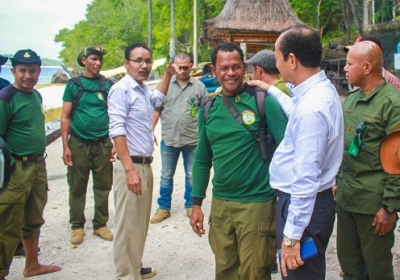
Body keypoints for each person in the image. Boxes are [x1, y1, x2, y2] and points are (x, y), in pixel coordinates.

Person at [248, 25, 344, 279]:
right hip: (312, 205)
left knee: (300, 274)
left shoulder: (313, 107)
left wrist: (291, 237)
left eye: (277, 59)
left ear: (292, 60)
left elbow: (305, 177)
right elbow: (296, 111)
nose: (276, 66)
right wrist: (269, 89)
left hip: (302, 207)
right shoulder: (319, 91)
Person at [190, 42, 287, 279]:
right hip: (222, 205)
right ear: (214, 71)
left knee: (254, 273)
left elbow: (289, 151)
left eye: (235, 67)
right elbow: (203, 159)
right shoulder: (208, 108)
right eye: (224, 68)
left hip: (257, 204)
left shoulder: (264, 102)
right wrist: (196, 203)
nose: (230, 73)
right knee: (224, 271)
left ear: (244, 67)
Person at [108, 43, 176, 280]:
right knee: (127, 226)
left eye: (148, 61)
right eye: (138, 60)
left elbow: (158, 99)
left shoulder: (142, 89)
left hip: (144, 164)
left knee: (138, 224)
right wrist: (129, 170)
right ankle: (126, 274)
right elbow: (116, 129)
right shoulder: (121, 90)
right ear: (126, 64)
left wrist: (167, 74)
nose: (144, 65)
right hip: (132, 166)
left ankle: (134, 266)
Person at [334, 40, 400, 280]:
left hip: (373, 206)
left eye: (350, 63)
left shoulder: (391, 104)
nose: (345, 68)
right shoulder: (352, 99)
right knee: (350, 268)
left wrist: (390, 207)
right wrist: (338, 180)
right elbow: (347, 145)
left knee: (378, 270)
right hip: (348, 199)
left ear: (368, 67)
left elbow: (398, 162)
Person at [0, 49, 61, 279]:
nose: (28, 75)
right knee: (7, 223)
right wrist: (10, 170)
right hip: (16, 170)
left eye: (33, 70)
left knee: (33, 218)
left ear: (39, 71)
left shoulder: (35, 95)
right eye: (23, 71)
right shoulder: (5, 98)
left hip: (38, 166)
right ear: (13, 71)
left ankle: (31, 265)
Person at [61, 45, 115, 245]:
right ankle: (77, 226)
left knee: (103, 186)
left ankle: (100, 224)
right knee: (77, 186)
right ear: (84, 60)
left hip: (102, 143)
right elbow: (65, 117)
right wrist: (65, 146)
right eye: (93, 58)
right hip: (78, 143)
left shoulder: (108, 85)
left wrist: (114, 143)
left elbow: (115, 115)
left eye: (100, 59)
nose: (98, 63)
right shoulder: (74, 85)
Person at [150, 53, 208, 223]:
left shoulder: (199, 87)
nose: (182, 70)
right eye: (178, 67)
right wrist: (150, 130)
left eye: (185, 67)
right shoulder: (165, 85)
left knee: (192, 174)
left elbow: (205, 112)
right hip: (169, 139)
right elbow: (157, 108)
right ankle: (164, 208)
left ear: (191, 66)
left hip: (192, 139)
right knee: (166, 174)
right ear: (173, 66)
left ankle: (191, 206)